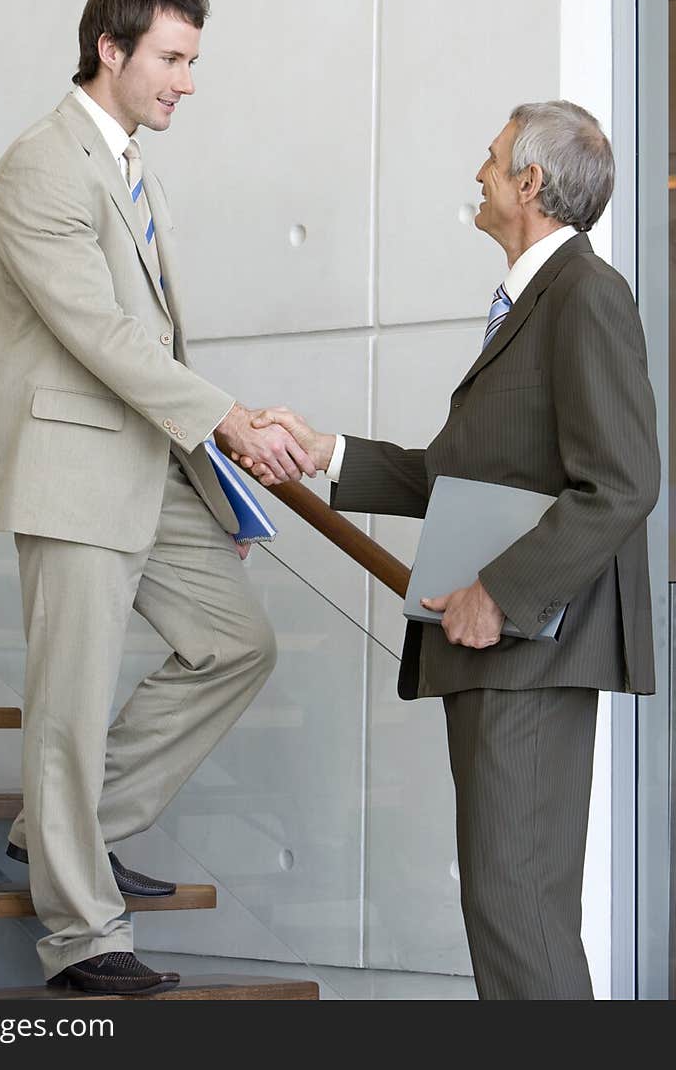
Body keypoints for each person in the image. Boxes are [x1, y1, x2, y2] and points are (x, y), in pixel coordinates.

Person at [244, 101, 660, 1000]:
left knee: (518, 912)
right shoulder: (527, 302)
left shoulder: (586, 294)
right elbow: (453, 473)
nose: (477, 172)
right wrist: (325, 454)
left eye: (492, 156)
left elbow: (624, 483)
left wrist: (500, 595)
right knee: (506, 909)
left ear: (529, 184)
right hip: (499, 654)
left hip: (530, 647)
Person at [0, 0, 315, 995]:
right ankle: (84, 938)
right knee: (69, 703)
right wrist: (225, 419)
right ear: (110, 52)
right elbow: (104, 334)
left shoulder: (126, 165)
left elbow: (146, 339)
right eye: (172, 59)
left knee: (236, 642)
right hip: (76, 470)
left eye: (191, 61)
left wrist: (220, 472)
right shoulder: (42, 167)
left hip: (148, 467)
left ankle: (71, 826)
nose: (187, 81)